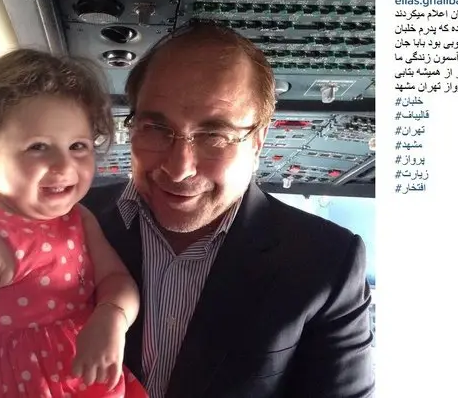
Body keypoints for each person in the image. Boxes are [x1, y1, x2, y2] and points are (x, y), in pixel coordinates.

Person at [82, 22, 375, 398]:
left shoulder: (327, 263)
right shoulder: (65, 219)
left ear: (257, 140)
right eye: (155, 127)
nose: (179, 168)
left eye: (214, 135)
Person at [0, 50, 147, 398]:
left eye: (77, 145)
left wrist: (111, 316)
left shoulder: (78, 219)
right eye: (38, 147)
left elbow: (116, 279)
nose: (64, 165)